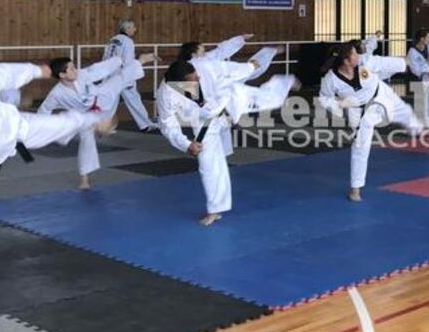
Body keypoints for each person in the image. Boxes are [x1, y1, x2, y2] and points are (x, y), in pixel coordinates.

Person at [157, 54, 297, 226]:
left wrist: (249, 67)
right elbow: (168, 125)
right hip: (205, 121)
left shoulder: (202, 67)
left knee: (264, 99)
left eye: (196, 74)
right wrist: (187, 145)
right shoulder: (165, 95)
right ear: (180, 82)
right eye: (193, 78)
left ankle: (284, 82)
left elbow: (224, 67)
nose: (198, 77)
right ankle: (215, 210)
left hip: (227, 97)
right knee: (207, 164)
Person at [319, 41, 423, 202]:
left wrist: (404, 62)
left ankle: (417, 130)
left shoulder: (364, 62)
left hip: (381, 94)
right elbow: (324, 98)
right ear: (346, 61)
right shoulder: (330, 80)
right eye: (354, 53)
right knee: (360, 146)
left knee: (405, 112)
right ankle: (355, 188)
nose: (357, 55)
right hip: (359, 112)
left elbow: (382, 62)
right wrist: (338, 105)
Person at [38, 53, 156, 190]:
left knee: (119, 79)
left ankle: (141, 60)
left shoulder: (82, 75)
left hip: (101, 98)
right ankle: (84, 179)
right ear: (62, 75)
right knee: (86, 140)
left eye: (74, 67)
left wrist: (117, 60)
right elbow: (43, 110)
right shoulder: (56, 94)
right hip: (86, 116)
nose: (76, 70)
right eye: (71, 69)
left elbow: (99, 69)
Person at [0, 62, 115, 172]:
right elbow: (5, 74)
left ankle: (94, 120)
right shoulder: (57, 93)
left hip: (7, 132)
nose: (75, 71)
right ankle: (95, 120)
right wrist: (37, 71)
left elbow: (4, 75)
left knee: (65, 123)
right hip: (10, 131)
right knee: (65, 122)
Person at [103, 19, 158, 132]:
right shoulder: (127, 41)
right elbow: (128, 61)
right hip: (123, 75)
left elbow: (105, 57)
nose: (135, 29)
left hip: (109, 74)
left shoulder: (112, 39)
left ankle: (103, 125)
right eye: (133, 27)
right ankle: (145, 125)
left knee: (111, 102)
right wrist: (130, 78)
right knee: (134, 100)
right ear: (127, 29)